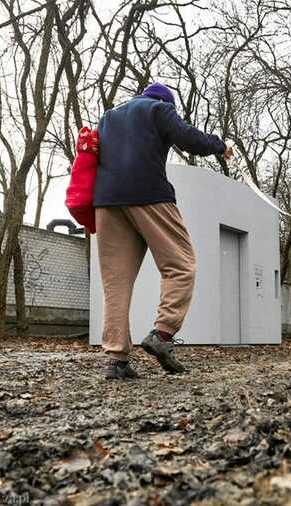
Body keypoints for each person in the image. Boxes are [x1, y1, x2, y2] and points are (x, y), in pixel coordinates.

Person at [94, 82, 233, 379]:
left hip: (106, 201)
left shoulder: (108, 116)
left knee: (115, 282)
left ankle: (116, 360)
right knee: (181, 265)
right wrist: (219, 146)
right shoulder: (158, 108)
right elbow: (188, 138)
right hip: (149, 195)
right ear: (164, 101)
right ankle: (163, 334)